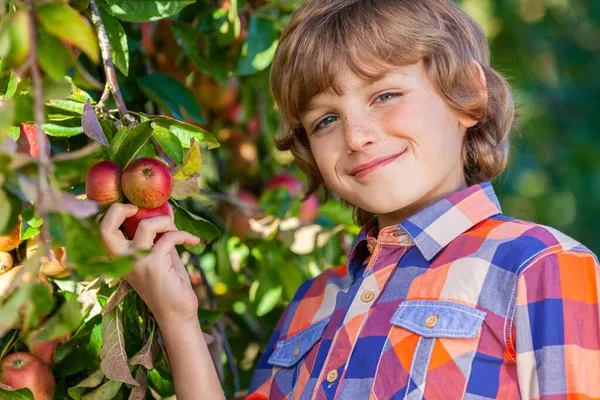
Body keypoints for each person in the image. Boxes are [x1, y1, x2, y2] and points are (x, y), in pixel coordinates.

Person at [100, 0, 600, 399]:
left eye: (384, 95)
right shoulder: (313, 304)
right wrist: (178, 316)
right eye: (325, 120)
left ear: (467, 94)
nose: (357, 136)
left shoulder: (541, 266)